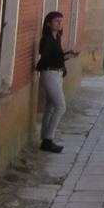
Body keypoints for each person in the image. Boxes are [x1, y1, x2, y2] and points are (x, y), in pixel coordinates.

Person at [37, 11, 78, 152]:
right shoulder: (46, 40)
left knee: (50, 107)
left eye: (60, 21)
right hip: (49, 73)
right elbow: (48, 58)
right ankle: (49, 139)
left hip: (58, 73)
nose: (59, 23)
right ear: (49, 23)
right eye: (56, 21)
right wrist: (65, 56)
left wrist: (67, 55)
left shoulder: (57, 37)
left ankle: (44, 139)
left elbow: (58, 56)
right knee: (61, 106)